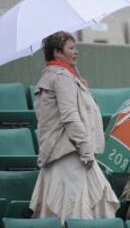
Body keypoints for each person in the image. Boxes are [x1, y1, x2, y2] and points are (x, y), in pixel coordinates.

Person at [29, 31, 120, 224]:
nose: (76, 52)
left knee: (82, 211)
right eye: (71, 48)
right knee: (76, 214)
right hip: (71, 155)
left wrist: (82, 89)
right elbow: (70, 117)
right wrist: (86, 150)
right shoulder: (62, 77)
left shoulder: (62, 77)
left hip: (71, 153)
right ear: (57, 52)